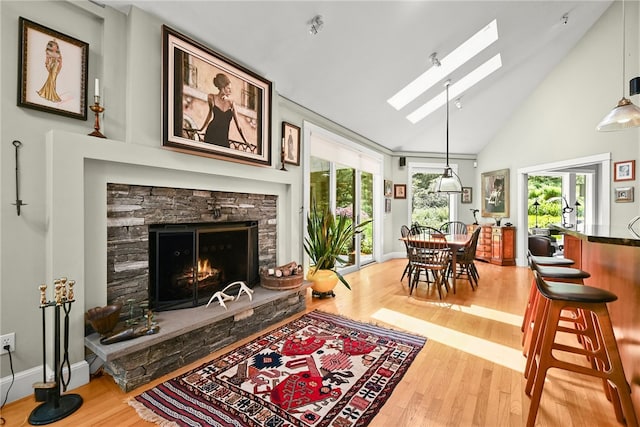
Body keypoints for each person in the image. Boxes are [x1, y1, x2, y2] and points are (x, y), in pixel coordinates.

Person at [200, 73, 248, 148]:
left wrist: (246, 141)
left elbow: (239, 126)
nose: (230, 91)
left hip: (223, 137)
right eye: (228, 88)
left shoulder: (231, 103)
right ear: (222, 87)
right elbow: (209, 115)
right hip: (211, 133)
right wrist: (201, 129)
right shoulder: (211, 97)